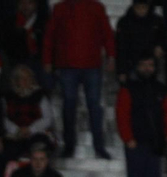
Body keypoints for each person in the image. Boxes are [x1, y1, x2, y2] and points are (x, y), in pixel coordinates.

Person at [42, 0, 115, 159]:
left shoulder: (95, 7)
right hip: (69, 66)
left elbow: (106, 33)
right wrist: (47, 60)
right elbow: (50, 36)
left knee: (93, 107)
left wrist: (111, 55)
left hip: (90, 66)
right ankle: (71, 146)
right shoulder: (60, 8)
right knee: (70, 107)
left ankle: (98, 146)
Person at [116, 54, 167, 177]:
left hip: (154, 143)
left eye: (150, 65)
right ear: (137, 66)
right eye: (144, 64)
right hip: (136, 142)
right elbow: (122, 114)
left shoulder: (160, 89)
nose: (147, 68)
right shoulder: (129, 88)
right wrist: (128, 138)